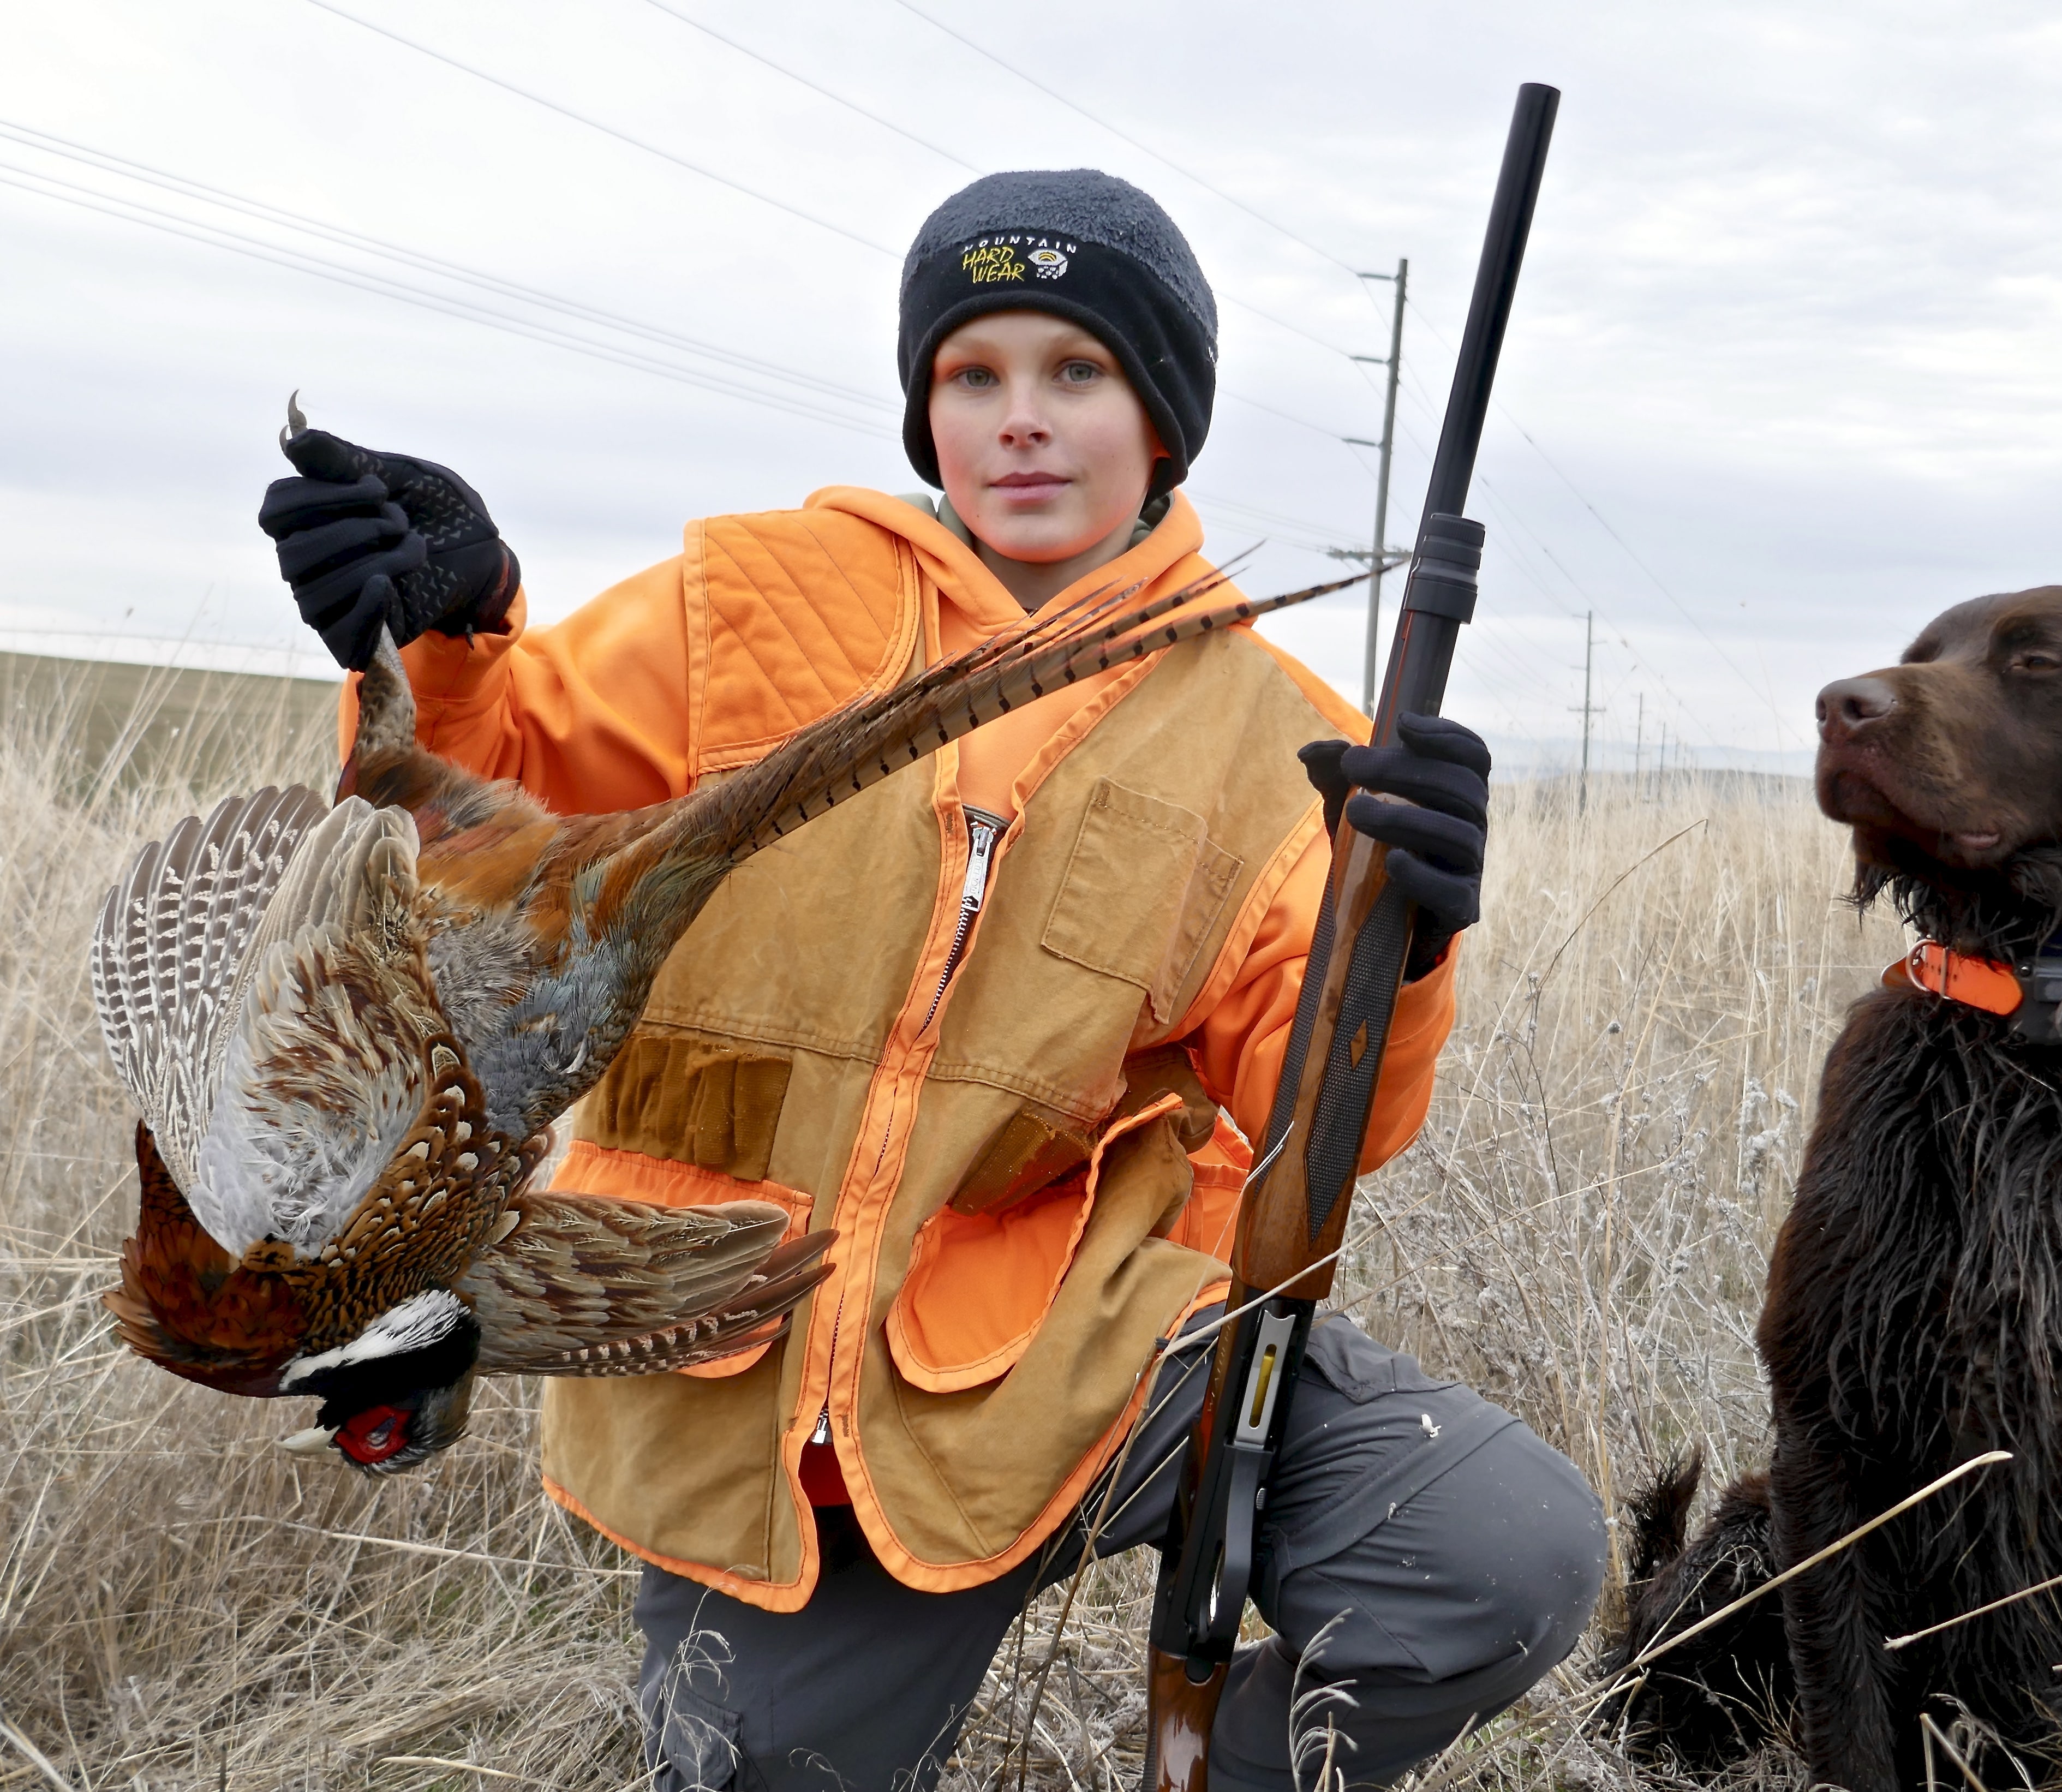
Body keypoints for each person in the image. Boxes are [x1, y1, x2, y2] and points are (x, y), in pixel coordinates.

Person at [259, 169, 1604, 1792]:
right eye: (974, 374)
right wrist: (447, 639)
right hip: (762, 1403)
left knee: (1497, 1549)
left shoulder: (1282, 735)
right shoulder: (745, 606)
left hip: (1091, 1355)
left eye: (1077, 370)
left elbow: (1330, 1123)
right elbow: (483, 823)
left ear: (1163, 419)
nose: (1019, 418)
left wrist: (1410, 941)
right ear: (926, 410)